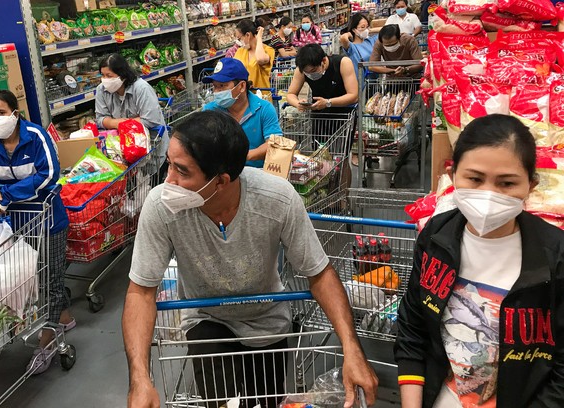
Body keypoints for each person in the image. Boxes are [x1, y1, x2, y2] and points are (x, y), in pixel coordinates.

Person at [122, 110, 378, 408]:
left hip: (267, 320)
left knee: (266, 399)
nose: (169, 180)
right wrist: (140, 378)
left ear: (220, 181)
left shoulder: (277, 199)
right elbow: (141, 291)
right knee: (218, 399)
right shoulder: (160, 207)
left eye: (183, 171)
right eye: (170, 164)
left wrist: (352, 349)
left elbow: (319, 273)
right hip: (207, 317)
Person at [395, 114, 564, 408]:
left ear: (531, 185)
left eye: (507, 183)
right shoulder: (436, 237)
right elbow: (413, 328)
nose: (488, 194)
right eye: (474, 178)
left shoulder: (555, 255)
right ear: (453, 174)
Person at [0, 90, 74, 375]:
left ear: (15, 112)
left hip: (46, 219)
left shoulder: (36, 136)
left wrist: (6, 194)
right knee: (20, 278)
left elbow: (48, 174)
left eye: (1, 112)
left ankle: (48, 343)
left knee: (48, 279)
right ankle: (63, 317)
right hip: (10, 223)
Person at [287, 43, 359, 175]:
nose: (310, 75)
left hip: (343, 116)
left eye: (313, 71)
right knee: (320, 159)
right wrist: (298, 103)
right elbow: (290, 94)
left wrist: (328, 103)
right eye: (307, 73)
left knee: (341, 159)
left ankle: (343, 193)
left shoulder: (343, 63)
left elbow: (354, 95)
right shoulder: (302, 69)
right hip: (319, 117)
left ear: (324, 61)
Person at [201, 58, 281, 168]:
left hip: (257, 171)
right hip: (222, 172)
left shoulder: (264, 109)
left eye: (222, 86)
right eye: (215, 86)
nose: (217, 92)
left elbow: (274, 143)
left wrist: (244, 157)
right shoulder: (210, 111)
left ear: (242, 86)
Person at [94, 53, 168, 166]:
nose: (105, 80)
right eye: (102, 75)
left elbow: (151, 120)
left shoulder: (141, 89)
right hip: (121, 151)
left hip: (151, 149)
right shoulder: (101, 90)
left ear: (122, 75)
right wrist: (125, 123)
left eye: (109, 76)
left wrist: (113, 123)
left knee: (149, 180)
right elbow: (100, 119)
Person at [233, 19, 275, 89]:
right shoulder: (240, 51)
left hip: (261, 96)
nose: (238, 42)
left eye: (239, 38)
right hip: (244, 96)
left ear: (247, 35)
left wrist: (259, 38)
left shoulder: (268, 50)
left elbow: (260, 59)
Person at [339, 13, 382, 78]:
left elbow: (386, 30)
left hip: (375, 82)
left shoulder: (371, 41)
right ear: (354, 30)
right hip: (361, 83)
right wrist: (349, 34)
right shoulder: (351, 47)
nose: (365, 29)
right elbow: (343, 38)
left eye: (367, 26)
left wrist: (369, 30)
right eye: (362, 27)